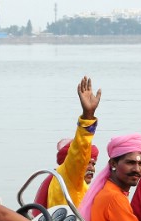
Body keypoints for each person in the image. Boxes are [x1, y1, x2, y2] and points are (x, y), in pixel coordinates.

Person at [33, 76, 101, 208]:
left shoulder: (61, 179)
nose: (92, 168)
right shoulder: (70, 177)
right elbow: (80, 151)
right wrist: (88, 116)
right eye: (87, 163)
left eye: (93, 164)